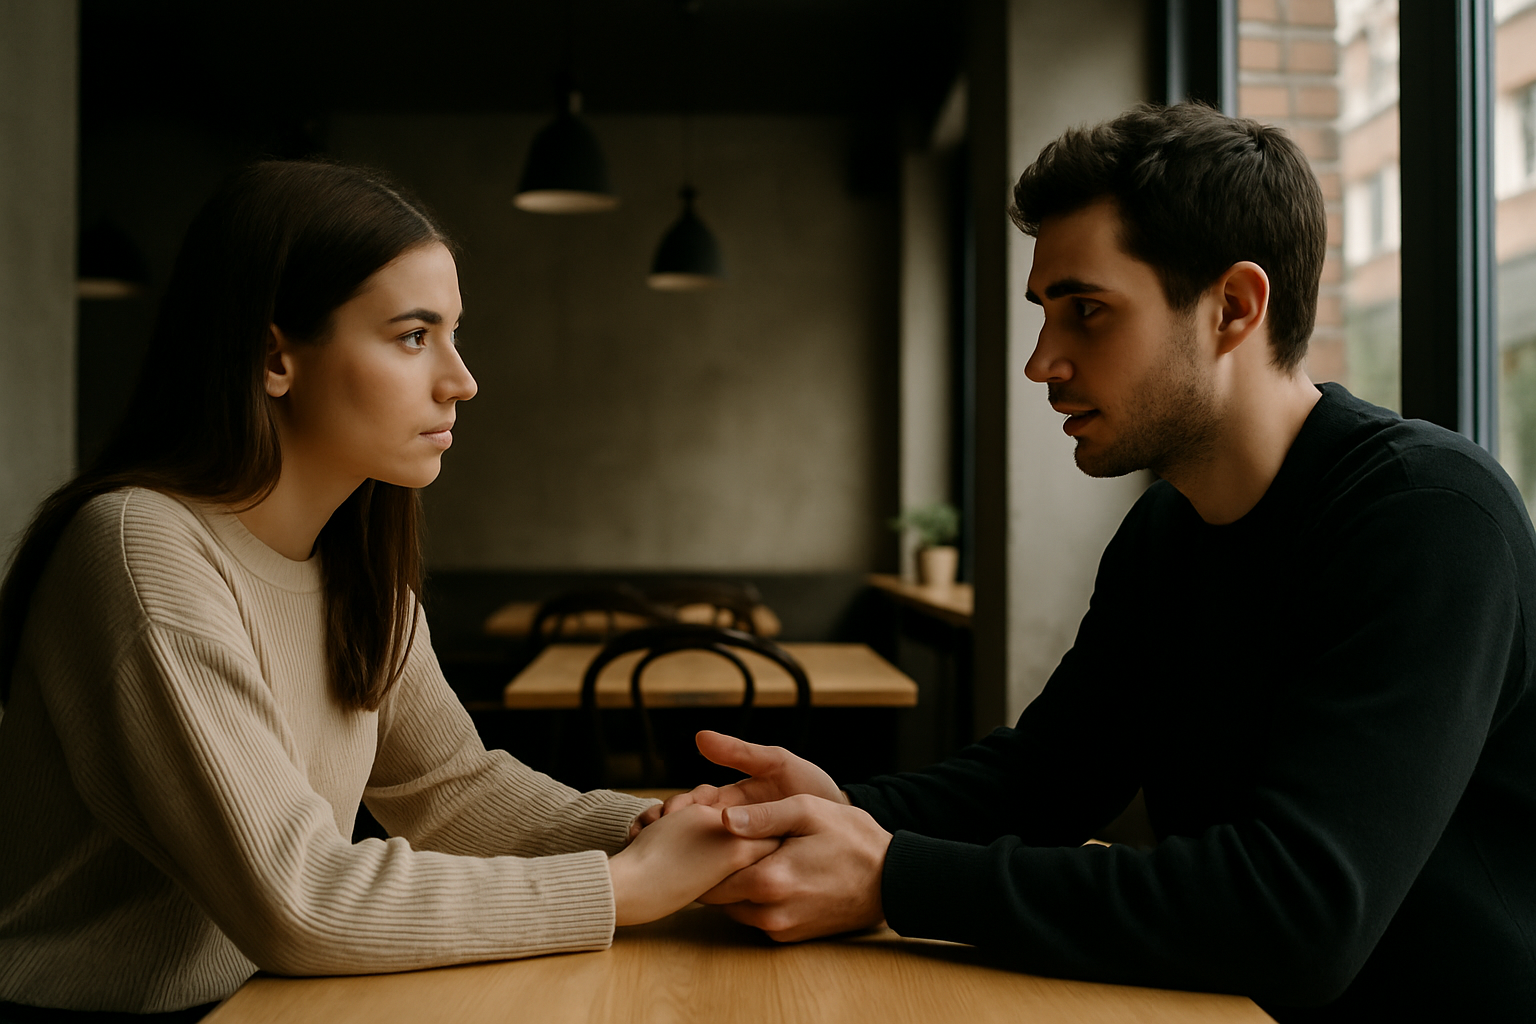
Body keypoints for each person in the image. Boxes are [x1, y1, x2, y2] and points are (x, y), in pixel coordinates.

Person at [643, 103, 1536, 1020]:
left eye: (1087, 313)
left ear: (1234, 307)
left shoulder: (1429, 517)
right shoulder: (1168, 530)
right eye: (1045, 314)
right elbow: (1050, 777)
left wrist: (893, 877)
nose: (1040, 363)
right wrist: (845, 807)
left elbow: (1298, 915)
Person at [0, 160, 775, 1021]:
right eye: (413, 336)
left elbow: (453, 791)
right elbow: (297, 898)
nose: (461, 379)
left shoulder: (355, 569)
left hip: (250, 1004)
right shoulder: (139, 544)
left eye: (452, 333)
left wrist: (663, 830)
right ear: (274, 358)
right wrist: (621, 886)